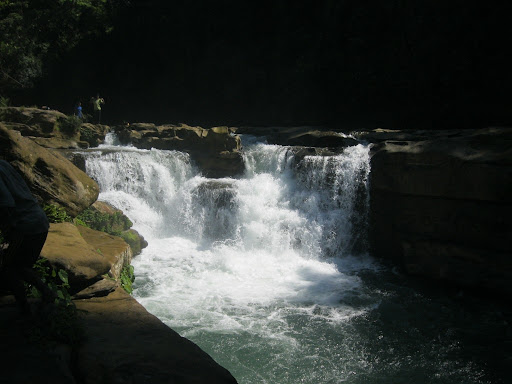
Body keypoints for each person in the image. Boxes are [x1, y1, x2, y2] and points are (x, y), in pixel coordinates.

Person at [0, 160, 55, 314]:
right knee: (22, 267)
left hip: (24, 225)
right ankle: (47, 294)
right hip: (38, 219)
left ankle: (24, 309)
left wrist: (8, 231)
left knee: (9, 268)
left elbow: (7, 204)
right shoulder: (4, 163)